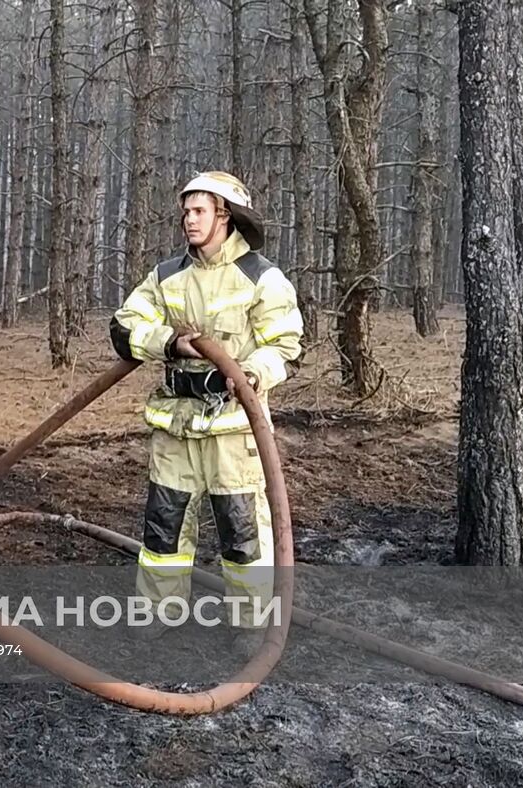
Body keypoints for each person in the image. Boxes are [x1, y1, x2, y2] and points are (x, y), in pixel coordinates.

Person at [108, 171, 303, 658]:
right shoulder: (167, 276)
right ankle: (158, 611)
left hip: (234, 429)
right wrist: (170, 341)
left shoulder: (261, 278)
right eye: (186, 211)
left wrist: (250, 374)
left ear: (225, 216)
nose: (188, 220)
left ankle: (251, 622)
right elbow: (125, 327)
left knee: (242, 533)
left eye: (199, 211)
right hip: (174, 424)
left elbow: (286, 347)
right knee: (163, 527)